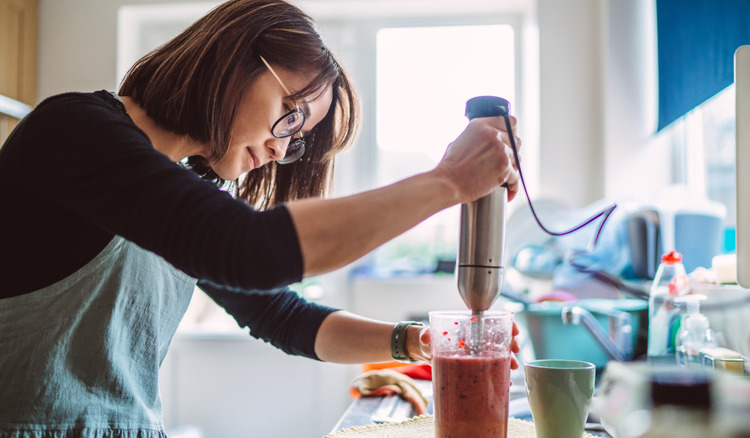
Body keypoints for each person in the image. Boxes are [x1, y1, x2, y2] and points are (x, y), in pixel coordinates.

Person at [0, 0, 522, 436]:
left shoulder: (181, 190)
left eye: (296, 138)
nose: (281, 145)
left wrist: (415, 341)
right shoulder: (74, 130)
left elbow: (284, 318)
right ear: (234, 61)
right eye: (290, 112)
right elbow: (250, 249)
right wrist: (449, 181)